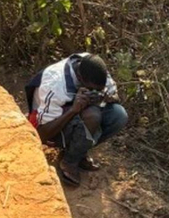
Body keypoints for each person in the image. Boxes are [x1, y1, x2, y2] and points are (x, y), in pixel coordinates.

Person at [27, 53, 129, 186]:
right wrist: (73, 110)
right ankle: (69, 162)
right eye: (91, 89)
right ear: (80, 78)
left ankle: (78, 152)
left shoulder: (94, 66)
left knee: (119, 115)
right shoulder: (55, 83)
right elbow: (41, 134)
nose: (94, 92)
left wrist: (107, 97)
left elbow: (115, 95)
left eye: (98, 90)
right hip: (50, 124)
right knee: (93, 115)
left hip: (76, 115)